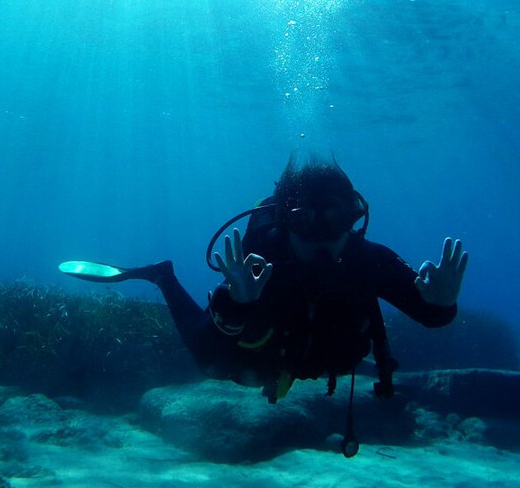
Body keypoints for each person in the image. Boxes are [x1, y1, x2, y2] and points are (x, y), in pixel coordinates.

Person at [60, 156, 468, 456]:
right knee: (211, 365)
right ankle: (164, 277)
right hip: (263, 360)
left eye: (337, 217)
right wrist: (236, 304)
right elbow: (208, 343)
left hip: (323, 358)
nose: (324, 236)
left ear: (354, 215)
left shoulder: (371, 260)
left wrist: (440, 304)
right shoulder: (261, 257)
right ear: (289, 220)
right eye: (309, 219)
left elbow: (430, 314)